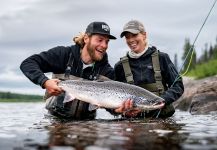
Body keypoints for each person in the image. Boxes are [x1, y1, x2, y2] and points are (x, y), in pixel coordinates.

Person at [20, 21, 116, 120]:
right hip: (55, 121)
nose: (104, 45)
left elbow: (111, 104)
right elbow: (28, 63)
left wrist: (117, 110)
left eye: (107, 41)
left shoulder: (106, 70)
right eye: (100, 40)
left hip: (88, 124)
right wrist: (45, 82)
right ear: (86, 38)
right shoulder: (63, 55)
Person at [113, 20, 184, 118]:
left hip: (162, 121)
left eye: (134, 35)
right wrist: (121, 111)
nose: (130, 40)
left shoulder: (162, 58)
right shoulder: (120, 66)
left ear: (144, 35)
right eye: (127, 37)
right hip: (133, 126)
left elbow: (178, 86)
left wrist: (161, 100)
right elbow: (112, 100)